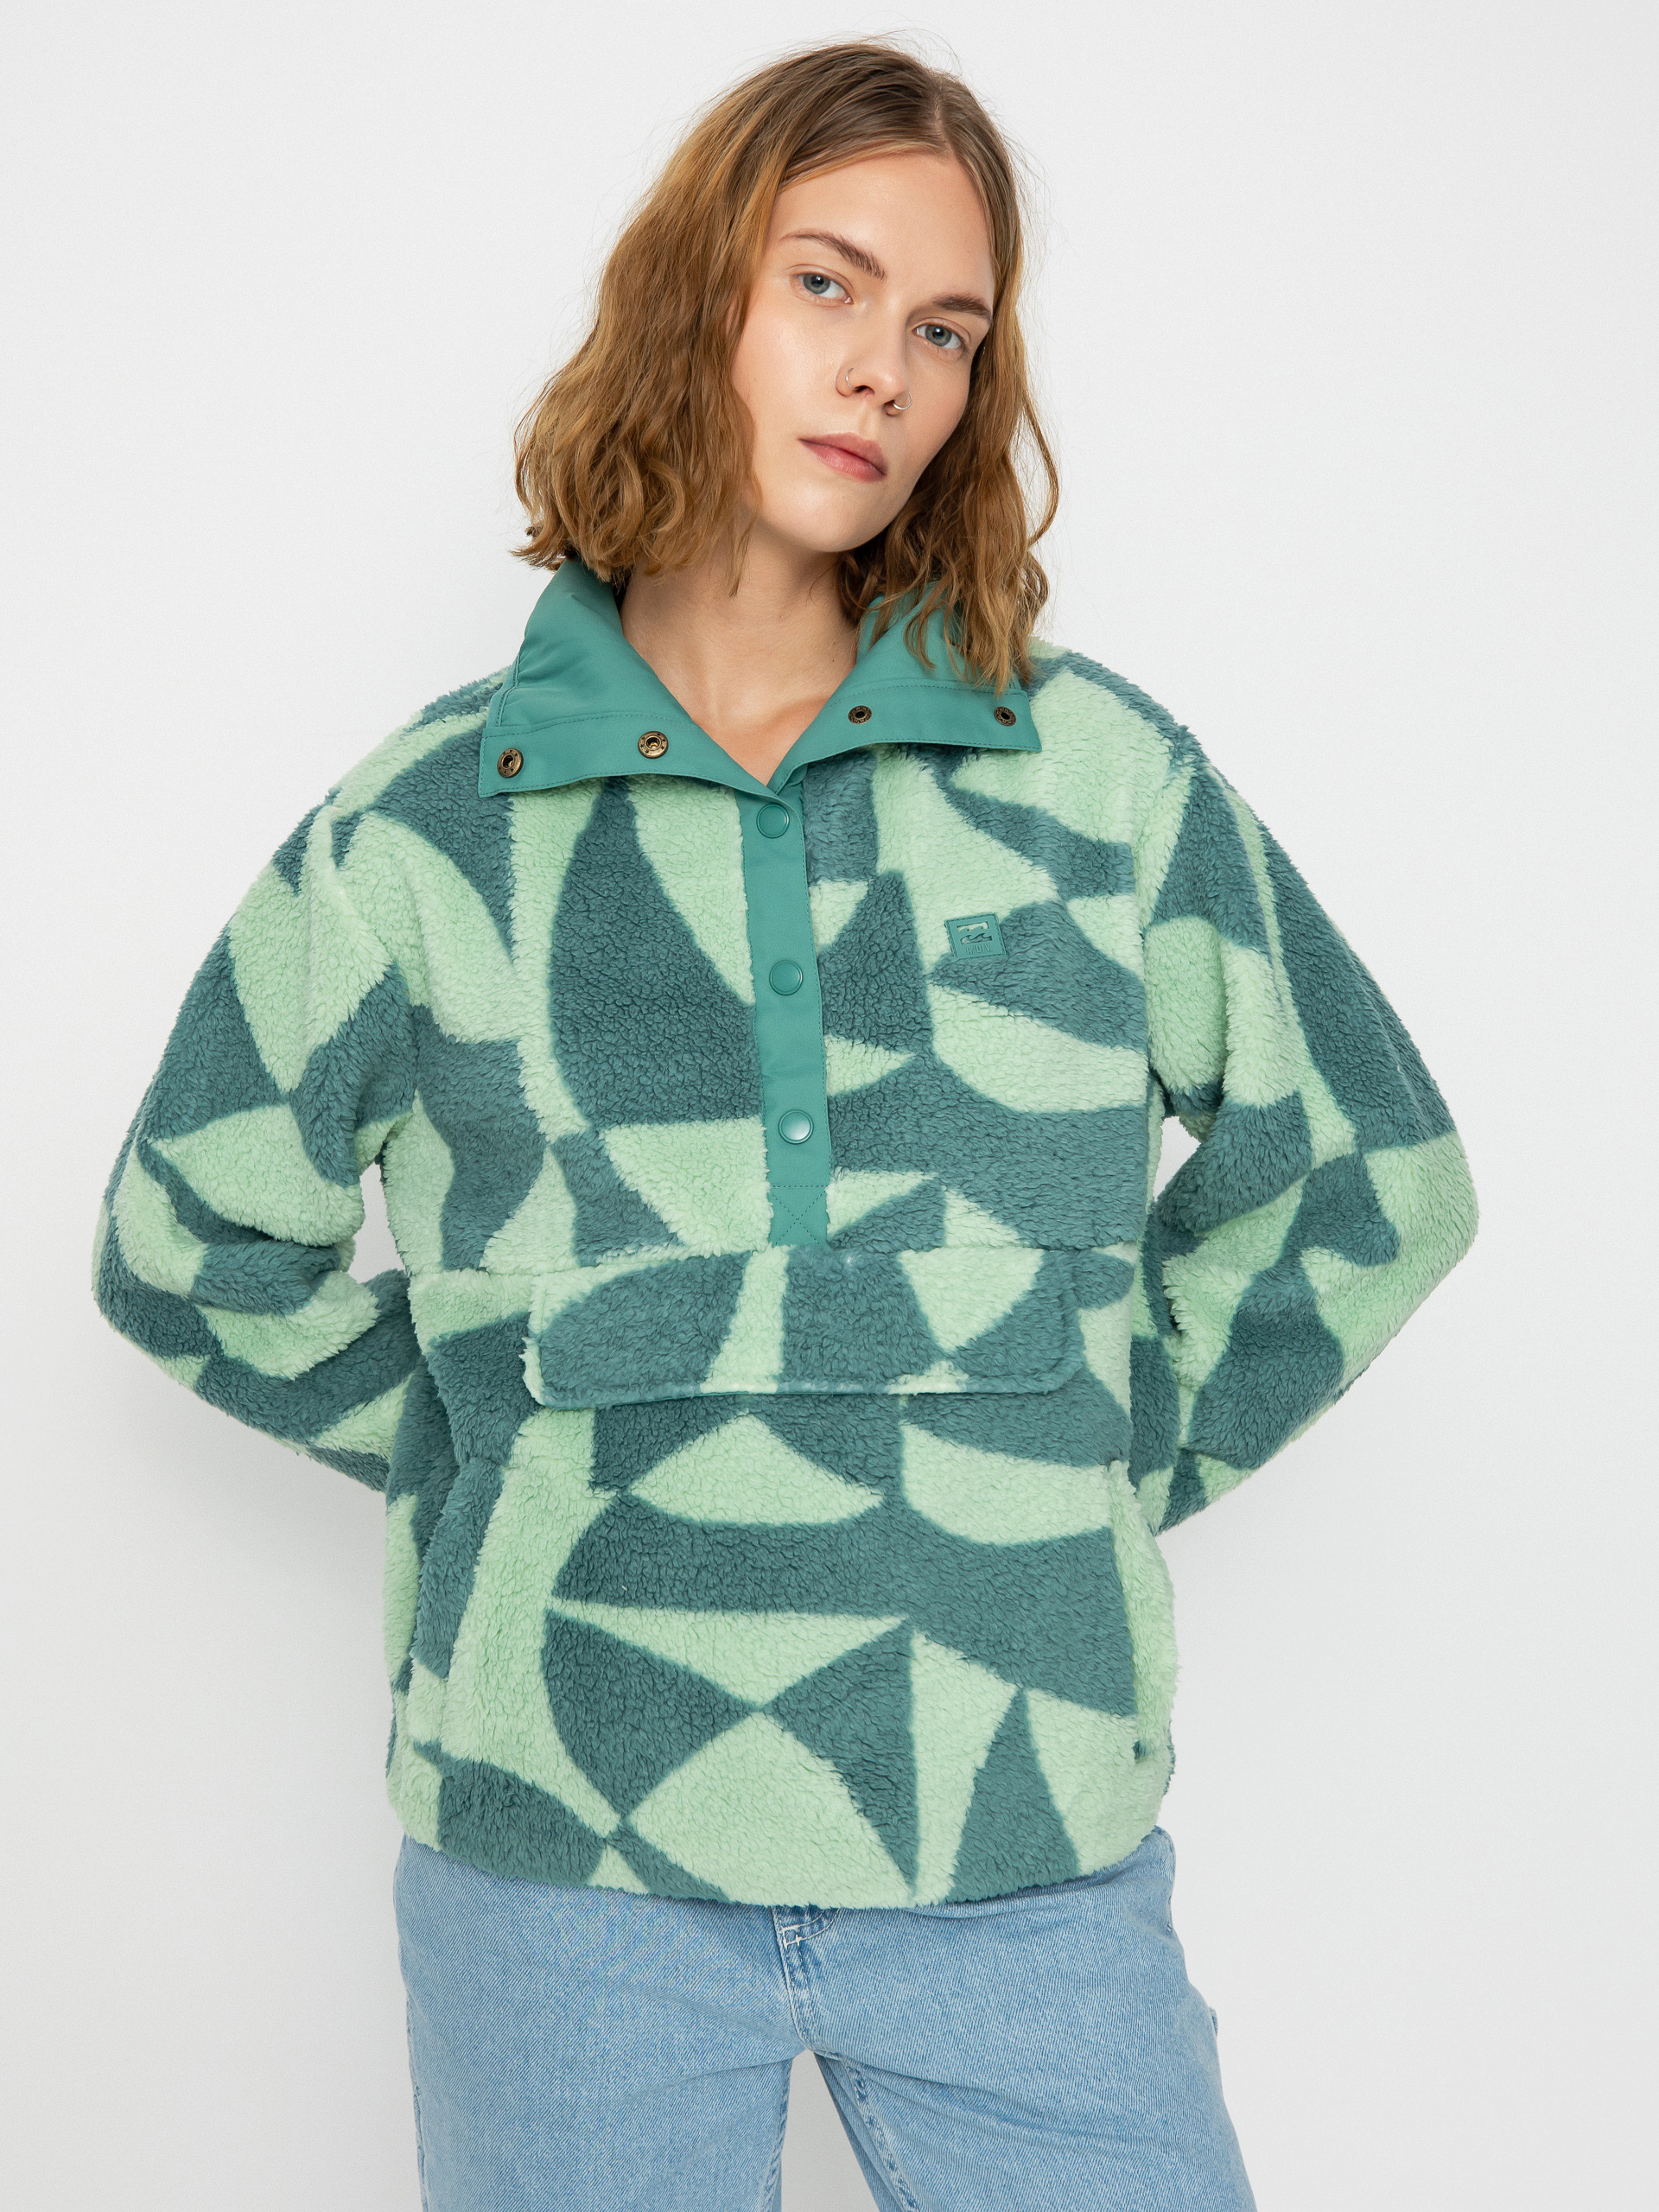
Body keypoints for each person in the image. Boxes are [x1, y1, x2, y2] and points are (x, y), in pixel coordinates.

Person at [90, 38, 1478, 2212]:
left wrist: (1078, 1448)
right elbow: (190, 1247)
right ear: (695, 295)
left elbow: (1373, 1177)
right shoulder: (429, 822)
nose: (886, 372)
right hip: (563, 1866)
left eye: (948, 329)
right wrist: (489, 1439)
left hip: (1021, 1842)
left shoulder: (1097, 780)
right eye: (827, 283)